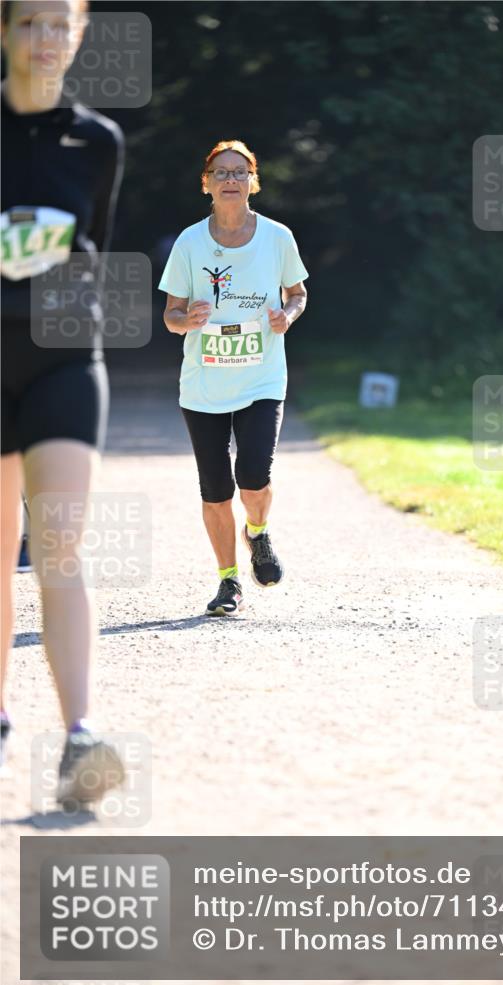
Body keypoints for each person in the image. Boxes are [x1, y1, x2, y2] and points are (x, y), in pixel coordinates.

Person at [0, 0, 125, 800]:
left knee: (60, 545)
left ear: (77, 36)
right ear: (4, 33)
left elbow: (95, 249)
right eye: (29, 23)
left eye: (60, 24)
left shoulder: (99, 143)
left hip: (64, 358)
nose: (46, 39)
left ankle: (80, 740)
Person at [159, 139, 308, 616]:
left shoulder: (277, 237)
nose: (229, 179)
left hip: (262, 379)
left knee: (253, 477)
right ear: (206, 184)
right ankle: (228, 582)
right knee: (216, 489)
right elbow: (170, 315)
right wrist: (188, 320)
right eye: (220, 172)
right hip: (203, 386)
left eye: (239, 172)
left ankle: (259, 533)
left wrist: (287, 314)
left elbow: (298, 293)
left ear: (252, 182)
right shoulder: (189, 242)